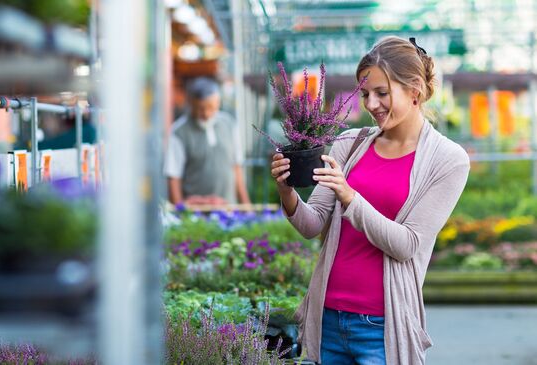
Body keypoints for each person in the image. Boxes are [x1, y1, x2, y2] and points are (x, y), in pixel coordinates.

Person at [270, 36, 470, 364]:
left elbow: (407, 244)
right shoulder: (350, 143)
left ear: (415, 89)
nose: (371, 104)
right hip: (328, 316)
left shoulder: (447, 160)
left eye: (382, 93)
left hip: (382, 326)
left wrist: (349, 196)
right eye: (365, 94)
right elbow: (312, 223)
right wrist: (286, 190)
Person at [164, 77, 251, 206]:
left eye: (210, 107)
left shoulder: (229, 124)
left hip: (228, 210)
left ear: (218, 103)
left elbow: (236, 167)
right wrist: (180, 210)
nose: (205, 113)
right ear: (191, 104)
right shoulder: (178, 132)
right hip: (194, 213)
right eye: (200, 108)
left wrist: (246, 205)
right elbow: (173, 176)